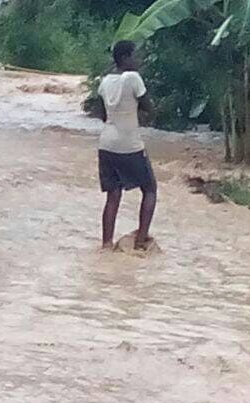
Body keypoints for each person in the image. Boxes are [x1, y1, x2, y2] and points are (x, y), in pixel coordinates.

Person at [98, 40, 157, 250]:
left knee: (113, 195)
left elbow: (104, 114)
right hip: (129, 144)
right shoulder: (134, 78)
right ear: (125, 58)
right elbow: (149, 107)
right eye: (135, 55)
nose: (139, 60)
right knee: (150, 189)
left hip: (106, 144)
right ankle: (140, 242)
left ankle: (106, 244)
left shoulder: (105, 82)